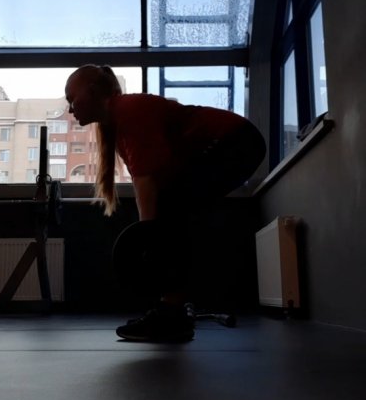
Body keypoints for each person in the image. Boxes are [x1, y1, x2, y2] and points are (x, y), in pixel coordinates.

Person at [65, 64, 266, 342]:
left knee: (172, 211)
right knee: (172, 212)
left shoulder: (129, 111)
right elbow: (150, 182)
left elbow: (146, 184)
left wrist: (150, 240)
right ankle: (172, 311)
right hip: (234, 144)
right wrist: (153, 238)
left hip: (237, 141)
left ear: (91, 90)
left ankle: (172, 314)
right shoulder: (119, 124)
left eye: (71, 98)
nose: (70, 109)